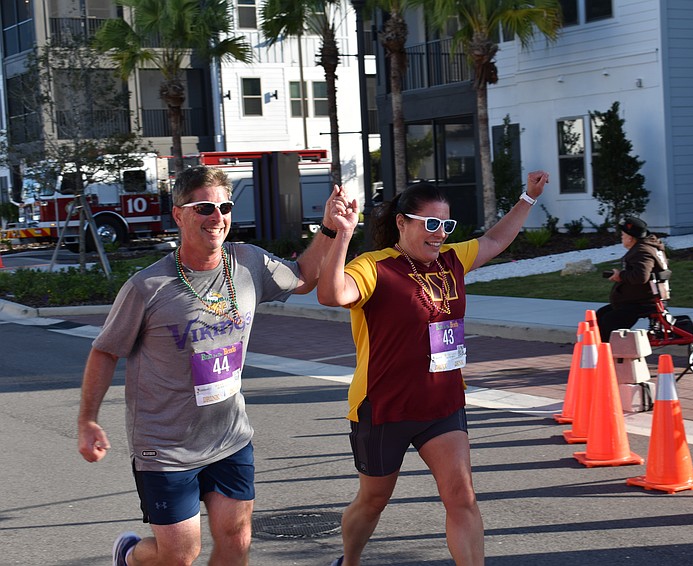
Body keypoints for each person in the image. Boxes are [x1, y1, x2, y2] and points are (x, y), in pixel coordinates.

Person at [77, 165, 347, 566]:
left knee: (236, 539)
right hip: (165, 445)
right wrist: (88, 420)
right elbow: (105, 351)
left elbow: (305, 276)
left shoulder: (249, 263)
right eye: (204, 207)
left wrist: (328, 228)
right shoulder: (147, 288)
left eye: (224, 207)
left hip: (229, 436)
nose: (217, 218)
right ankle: (132, 556)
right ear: (179, 215)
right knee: (180, 554)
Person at [317, 171, 549, 566]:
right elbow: (331, 294)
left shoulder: (452, 260)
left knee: (462, 497)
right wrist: (341, 235)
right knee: (373, 500)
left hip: (442, 404)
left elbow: (494, 240)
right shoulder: (375, 267)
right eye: (431, 224)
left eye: (446, 225)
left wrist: (528, 197)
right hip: (384, 408)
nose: (440, 234)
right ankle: (350, 560)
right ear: (402, 222)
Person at [596, 216, 670, 342]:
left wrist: (620, 276)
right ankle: (603, 352)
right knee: (600, 315)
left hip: (641, 303)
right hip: (643, 299)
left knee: (607, 321)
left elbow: (641, 277)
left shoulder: (642, 251)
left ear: (630, 238)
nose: (621, 237)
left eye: (623, 235)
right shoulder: (648, 247)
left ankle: (608, 355)